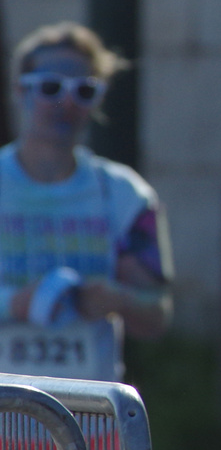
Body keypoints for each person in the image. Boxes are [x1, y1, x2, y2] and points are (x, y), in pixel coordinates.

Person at [1, 22, 172, 381]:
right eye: (50, 87)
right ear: (20, 91)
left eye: (83, 91)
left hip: (89, 423)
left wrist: (120, 300)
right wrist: (15, 303)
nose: (66, 103)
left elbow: (158, 313)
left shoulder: (124, 195)